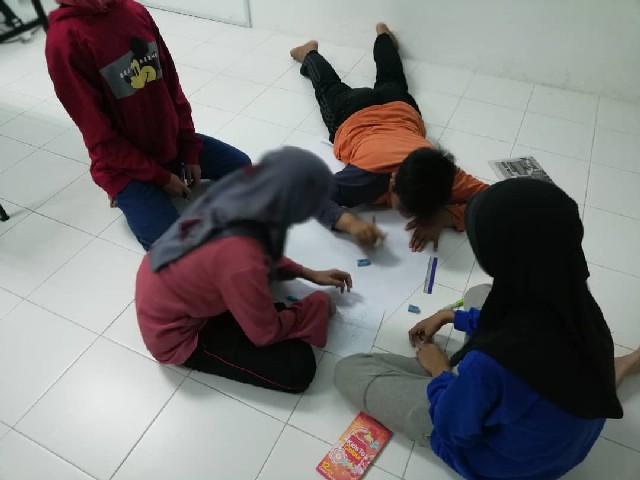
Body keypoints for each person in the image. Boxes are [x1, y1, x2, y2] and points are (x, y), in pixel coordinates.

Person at [334, 178, 640, 479]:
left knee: (349, 370)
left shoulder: (495, 362)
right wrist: (452, 317)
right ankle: (469, 386)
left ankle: (457, 382)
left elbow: (452, 428)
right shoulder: (579, 303)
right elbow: (524, 324)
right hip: (562, 433)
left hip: (505, 466)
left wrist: (439, 371)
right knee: (480, 294)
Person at [135, 147, 353, 393]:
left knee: (259, 286)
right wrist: (316, 306)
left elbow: (260, 255)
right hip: (178, 337)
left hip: (175, 296)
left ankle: (256, 310)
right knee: (298, 368)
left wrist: (306, 272)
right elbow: (265, 334)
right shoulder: (241, 260)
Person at [45, 0, 251, 250]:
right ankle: (126, 193)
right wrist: (161, 178)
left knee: (242, 166)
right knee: (172, 248)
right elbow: (101, 137)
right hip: (125, 169)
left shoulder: (134, 11)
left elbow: (173, 86)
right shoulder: (64, 41)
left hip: (170, 143)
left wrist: (189, 149)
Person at [290, 23, 487, 252]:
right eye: (406, 211)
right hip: (353, 114)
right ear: (392, 181)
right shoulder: (366, 178)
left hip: (398, 107)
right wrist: (350, 223)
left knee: (391, 78)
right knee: (328, 87)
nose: (410, 217)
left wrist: (444, 218)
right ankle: (309, 53)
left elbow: (490, 198)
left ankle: (382, 37)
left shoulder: (442, 174)